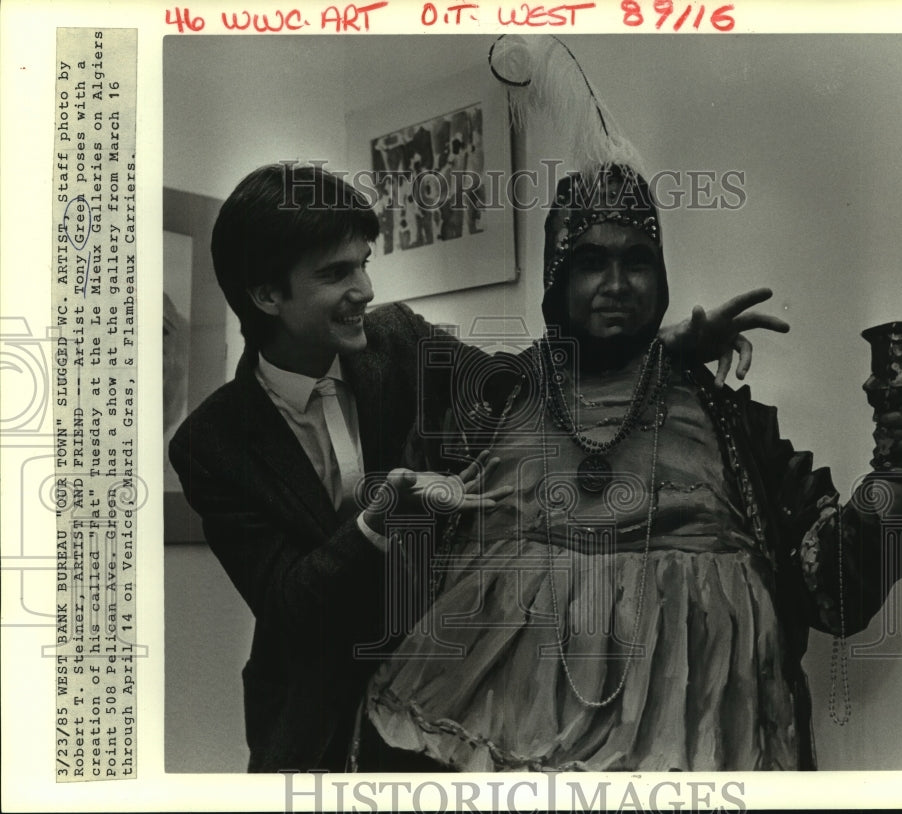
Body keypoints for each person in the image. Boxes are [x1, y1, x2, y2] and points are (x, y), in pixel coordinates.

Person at [168, 162, 770, 773]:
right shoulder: (212, 444)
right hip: (311, 720)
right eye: (336, 273)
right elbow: (288, 605)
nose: (366, 290)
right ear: (267, 294)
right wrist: (376, 526)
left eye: (364, 262)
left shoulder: (396, 340)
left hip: (436, 693)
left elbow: (520, 384)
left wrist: (659, 345)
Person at [362, 164, 902, 771]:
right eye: (591, 262)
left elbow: (835, 589)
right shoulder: (492, 404)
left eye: (639, 261)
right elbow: (382, 343)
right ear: (556, 277)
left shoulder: (732, 425)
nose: (618, 283)